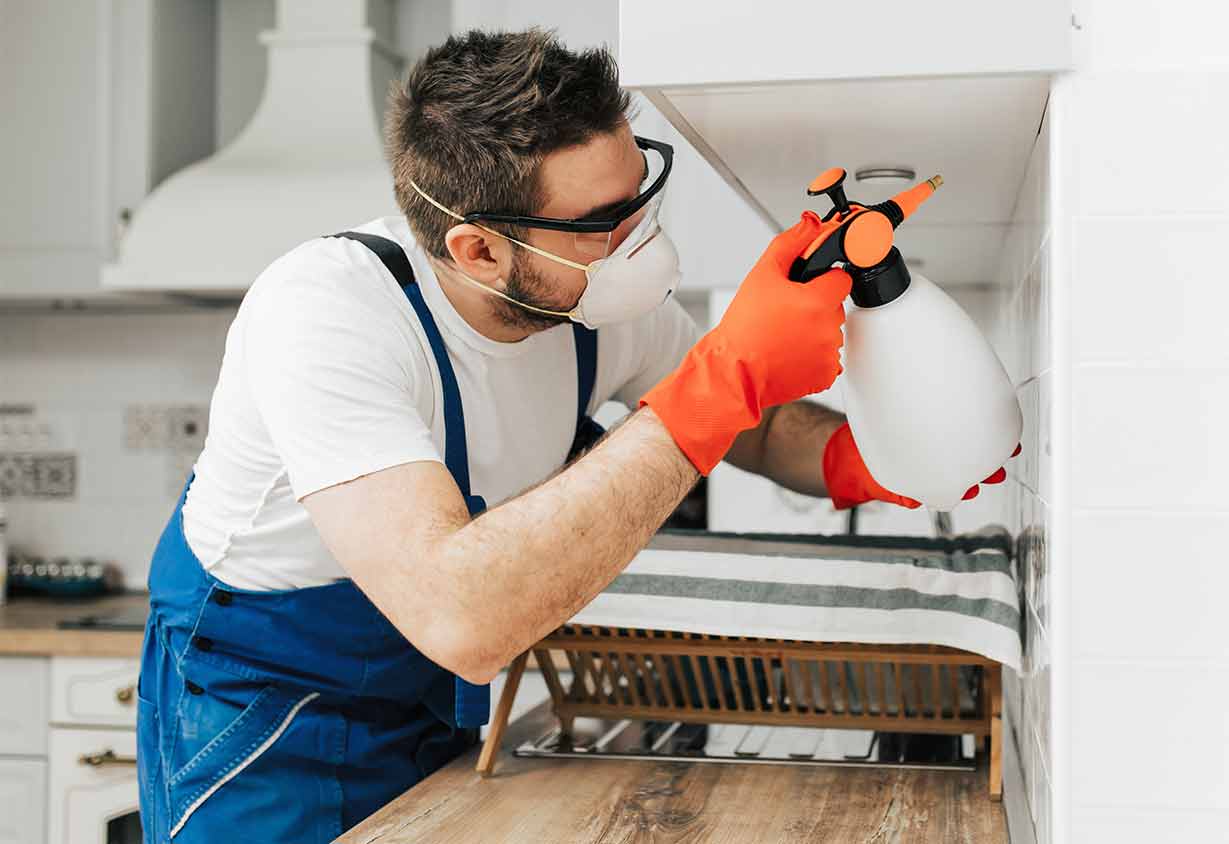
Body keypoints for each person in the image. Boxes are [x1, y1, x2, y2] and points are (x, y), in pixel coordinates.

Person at [134, 29, 1009, 843]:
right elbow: (460, 613)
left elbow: (760, 421)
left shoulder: (590, 300)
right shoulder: (328, 311)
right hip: (264, 713)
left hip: (431, 703)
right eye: (603, 221)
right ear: (478, 251)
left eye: (640, 193)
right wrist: (726, 375)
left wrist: (859, 463)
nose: (639, 236)